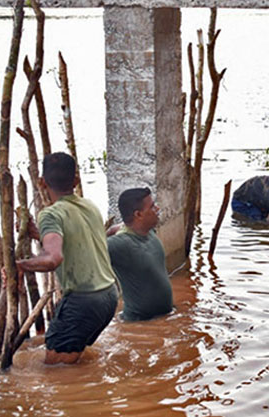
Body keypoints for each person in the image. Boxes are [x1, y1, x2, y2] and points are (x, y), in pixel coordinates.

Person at [16, 152, 118, 365]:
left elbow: (54, 258)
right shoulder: (89, 206)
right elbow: (75, 240)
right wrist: (38, 233)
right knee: (74, 362)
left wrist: (21, 265)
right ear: (76, 181)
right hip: (108, 296)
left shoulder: (51, 214)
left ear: (41, 182)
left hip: (84, 300)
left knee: (56, 371)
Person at [107, 188, 174, 321]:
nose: (157, 208)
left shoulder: (148, 231)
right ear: (138, 215)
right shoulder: (120, 244)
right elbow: (89, 252)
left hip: (163, 319)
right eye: (152, 206)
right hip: (139, 323)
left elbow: (122, 227)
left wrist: (113, 229)